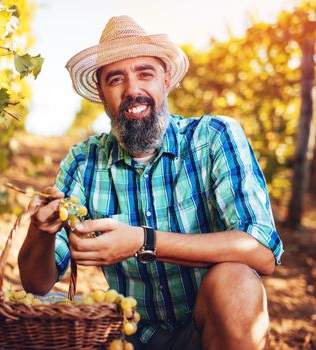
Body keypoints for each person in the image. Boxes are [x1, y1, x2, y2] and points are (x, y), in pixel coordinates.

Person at [18, 15, 283, 350]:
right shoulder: (84, 161)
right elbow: (36, 284)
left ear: (166, 80)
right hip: (123, 338)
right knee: (43, 321)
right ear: (101, 93)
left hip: (204, 334)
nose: (133, 91)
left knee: (237, 280)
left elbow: (261, 251)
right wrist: (41, 233)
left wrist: (144, 242)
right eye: (116, 80)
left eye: (145, 73)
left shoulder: (214, 137)